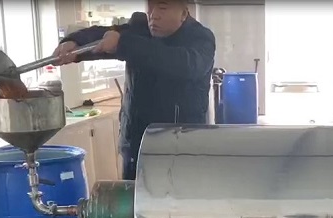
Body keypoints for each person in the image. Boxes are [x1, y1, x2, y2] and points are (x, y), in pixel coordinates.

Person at [53, 0, 216, 180]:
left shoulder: (201, 38)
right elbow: (105, 36)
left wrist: (123, 43)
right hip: (135, 146)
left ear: (183, 13)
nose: (154, 15)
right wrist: (74, 42)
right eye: (150, 8)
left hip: (181, 150)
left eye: (162, 8)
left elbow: (184, 64)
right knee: (133, 195)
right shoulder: (139, 29)